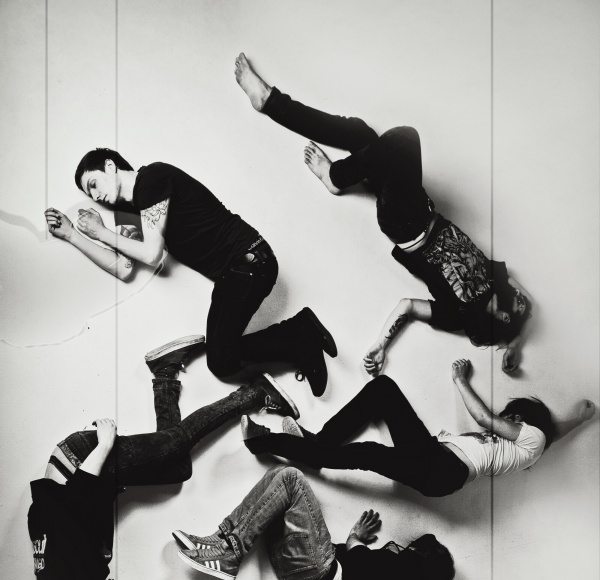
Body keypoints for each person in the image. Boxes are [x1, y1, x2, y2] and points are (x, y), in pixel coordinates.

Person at [234, 53, 532, 375]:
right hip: (420, 204)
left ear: (504, 317)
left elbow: (408, 307)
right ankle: (270, 102)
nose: (519, 297)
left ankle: (334, 175)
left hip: (404, 226)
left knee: (404, 137)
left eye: (516, 305)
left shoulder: (460, 316)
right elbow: (531, 307)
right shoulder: (495, 277)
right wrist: (516, 343)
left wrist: (380, 345)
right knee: (359, 133)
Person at [28, 335, 300, 580]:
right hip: (88, 475)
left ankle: (255, 393)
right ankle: (164, 372)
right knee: (177, 468)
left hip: (81, 462)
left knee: (177, 443)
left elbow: (73, 498)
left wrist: (104, 443)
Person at [43, 145, 337, 395]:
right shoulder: (135, 212)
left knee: (221, 358)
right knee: (220, 360)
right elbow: (124, 268)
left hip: (249, 259)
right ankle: (300, 335)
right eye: (89, 193)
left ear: (110, 166)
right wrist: (73, 235)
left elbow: (152, 253)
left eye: (94, 184)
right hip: (231, 274)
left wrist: (101, 232)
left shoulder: (152, 179)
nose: (95, 196)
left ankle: (300, 334)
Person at [240, 361, 596, 497]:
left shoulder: (534, 439)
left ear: (529, 422)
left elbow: (487, 419)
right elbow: (554, 432)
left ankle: (268, 441)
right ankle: (316, 446)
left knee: (365, 453)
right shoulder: (533, 444)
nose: (511, 422)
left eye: (516, 418)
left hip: (442, 469)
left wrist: (459, 379)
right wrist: (579, 419)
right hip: (432, 457)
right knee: (383, 390)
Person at [173, 466, 454, 580]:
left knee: (291, 479)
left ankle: (229, 552)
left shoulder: (404, 572)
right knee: (277, 477)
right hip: (296, 577)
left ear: (418, 558)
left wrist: (355, 536)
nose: (400, 547)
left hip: (318, 571)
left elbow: (359, 558)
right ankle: (220, 542)